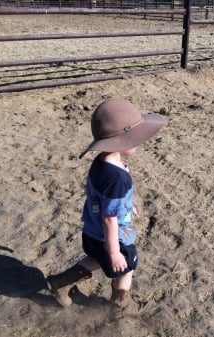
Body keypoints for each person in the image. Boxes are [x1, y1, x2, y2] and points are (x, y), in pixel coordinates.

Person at [46, 98, 167, 316]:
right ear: (119, 141)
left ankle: (61, 282)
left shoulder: (101, 162)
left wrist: (128, 208)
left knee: (95, 258)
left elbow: (108, 201)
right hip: (113, 237)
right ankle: (121, 305)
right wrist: (114, 252)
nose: (138, 141)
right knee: (126, 267)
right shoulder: (117, 179)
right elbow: (110, 218)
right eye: (133, 137)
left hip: (92, 232)